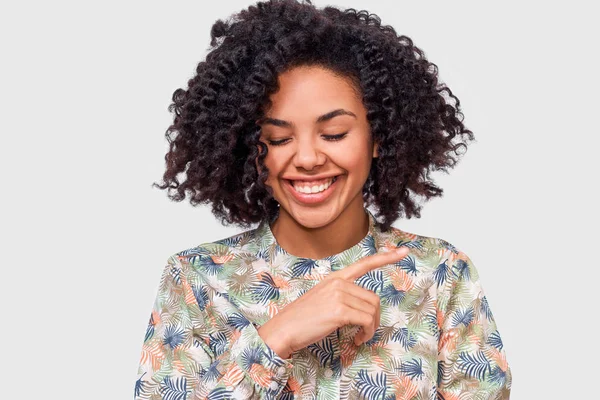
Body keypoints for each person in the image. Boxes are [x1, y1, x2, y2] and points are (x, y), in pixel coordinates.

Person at [133, 0, 512, 399]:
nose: (309, 158)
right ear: (249, 148)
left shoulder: (441, 275)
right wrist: (277, 337)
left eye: (333, 134)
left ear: (378, 137)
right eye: (278, 139)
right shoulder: (196, 280)